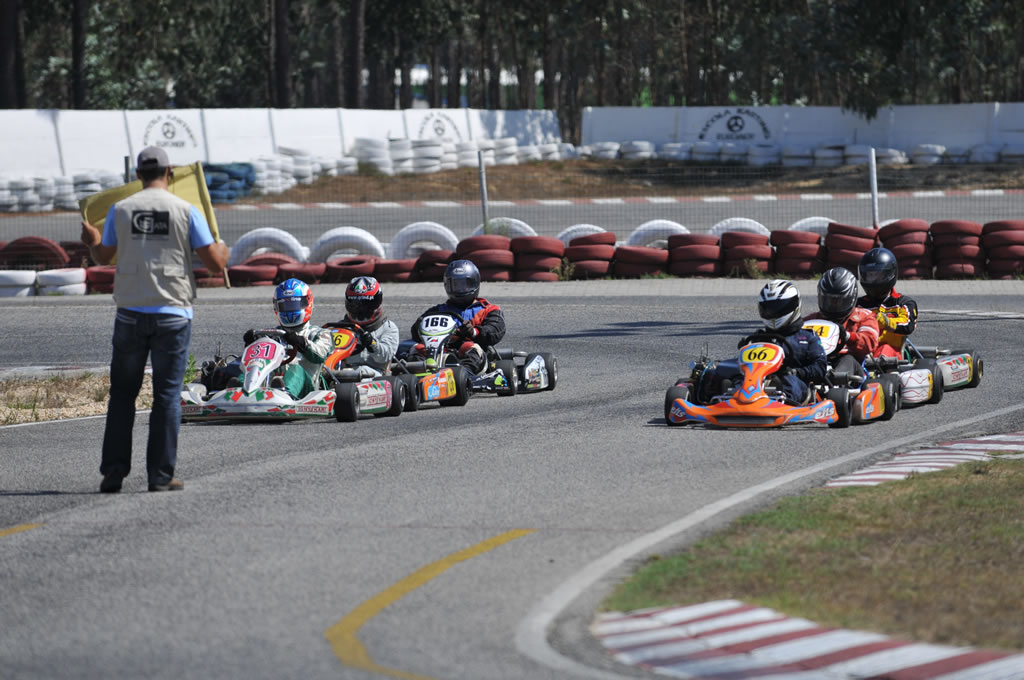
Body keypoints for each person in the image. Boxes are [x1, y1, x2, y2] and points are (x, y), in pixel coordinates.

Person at [80, 146, 229, 494]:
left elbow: (103, 256)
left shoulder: (121, 209)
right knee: (166, 396)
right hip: (173, 314)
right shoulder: (187, 210)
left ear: (137, 176)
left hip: (131, 312)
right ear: (170, 173)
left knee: (122, 395)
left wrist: (93, 241)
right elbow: (215, 264)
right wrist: (222, 248)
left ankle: (114, 472)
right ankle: (160, 476)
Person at [242, 278, 333, 398]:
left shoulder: (320, 333)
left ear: (307, 303)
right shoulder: (272, 334)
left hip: (307, 389)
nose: (290, 310)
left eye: (294, 304)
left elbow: (320, 355)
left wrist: (301, 342)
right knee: (253, 366)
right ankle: (237, 389)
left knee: (296, 369)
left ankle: (286, 394)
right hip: (271, 383)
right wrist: (253, 343)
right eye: (285, 306)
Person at [410, 259, 505, 373]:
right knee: (417, 349)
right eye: (456, 285)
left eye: (464, 285)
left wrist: (473, 332)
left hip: (471, 351)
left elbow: (494, 331)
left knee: (471, 348)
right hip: (440, 350)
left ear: (474, 283)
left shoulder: (488, 310)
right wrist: (419, 326)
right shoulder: (438, 310)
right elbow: (416, 334)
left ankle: (463, 376)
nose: (460, 290)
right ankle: (419, 376)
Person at [805, 266, 881, 378]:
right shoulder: (812, 321)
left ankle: (835, 384)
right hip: (817, 362)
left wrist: (848, 337)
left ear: (851, 298)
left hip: (852, 367)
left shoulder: (864, 317)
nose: (833, 305)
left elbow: (869, 342)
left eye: (838, 301)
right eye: (829, 300)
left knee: (847, 359)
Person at [330, 276, 399, 373]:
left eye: (366, 305)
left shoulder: (388, 328)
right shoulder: (340, 328)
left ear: (377, 302)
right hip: (342, 375)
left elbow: (385, 356)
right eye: (356, 305)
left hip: (376, 377)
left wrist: (372, 344)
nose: (361, 310)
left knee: (363, 371)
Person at [858, 247, 917, 359]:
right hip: (863, 351)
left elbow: (908, 325)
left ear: (889, 274)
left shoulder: (903, 303)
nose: (872, 280)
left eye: (877, 275)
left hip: (892, 356)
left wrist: (886, 322)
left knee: (885, 349)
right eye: (869, 275)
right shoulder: (858, 305)